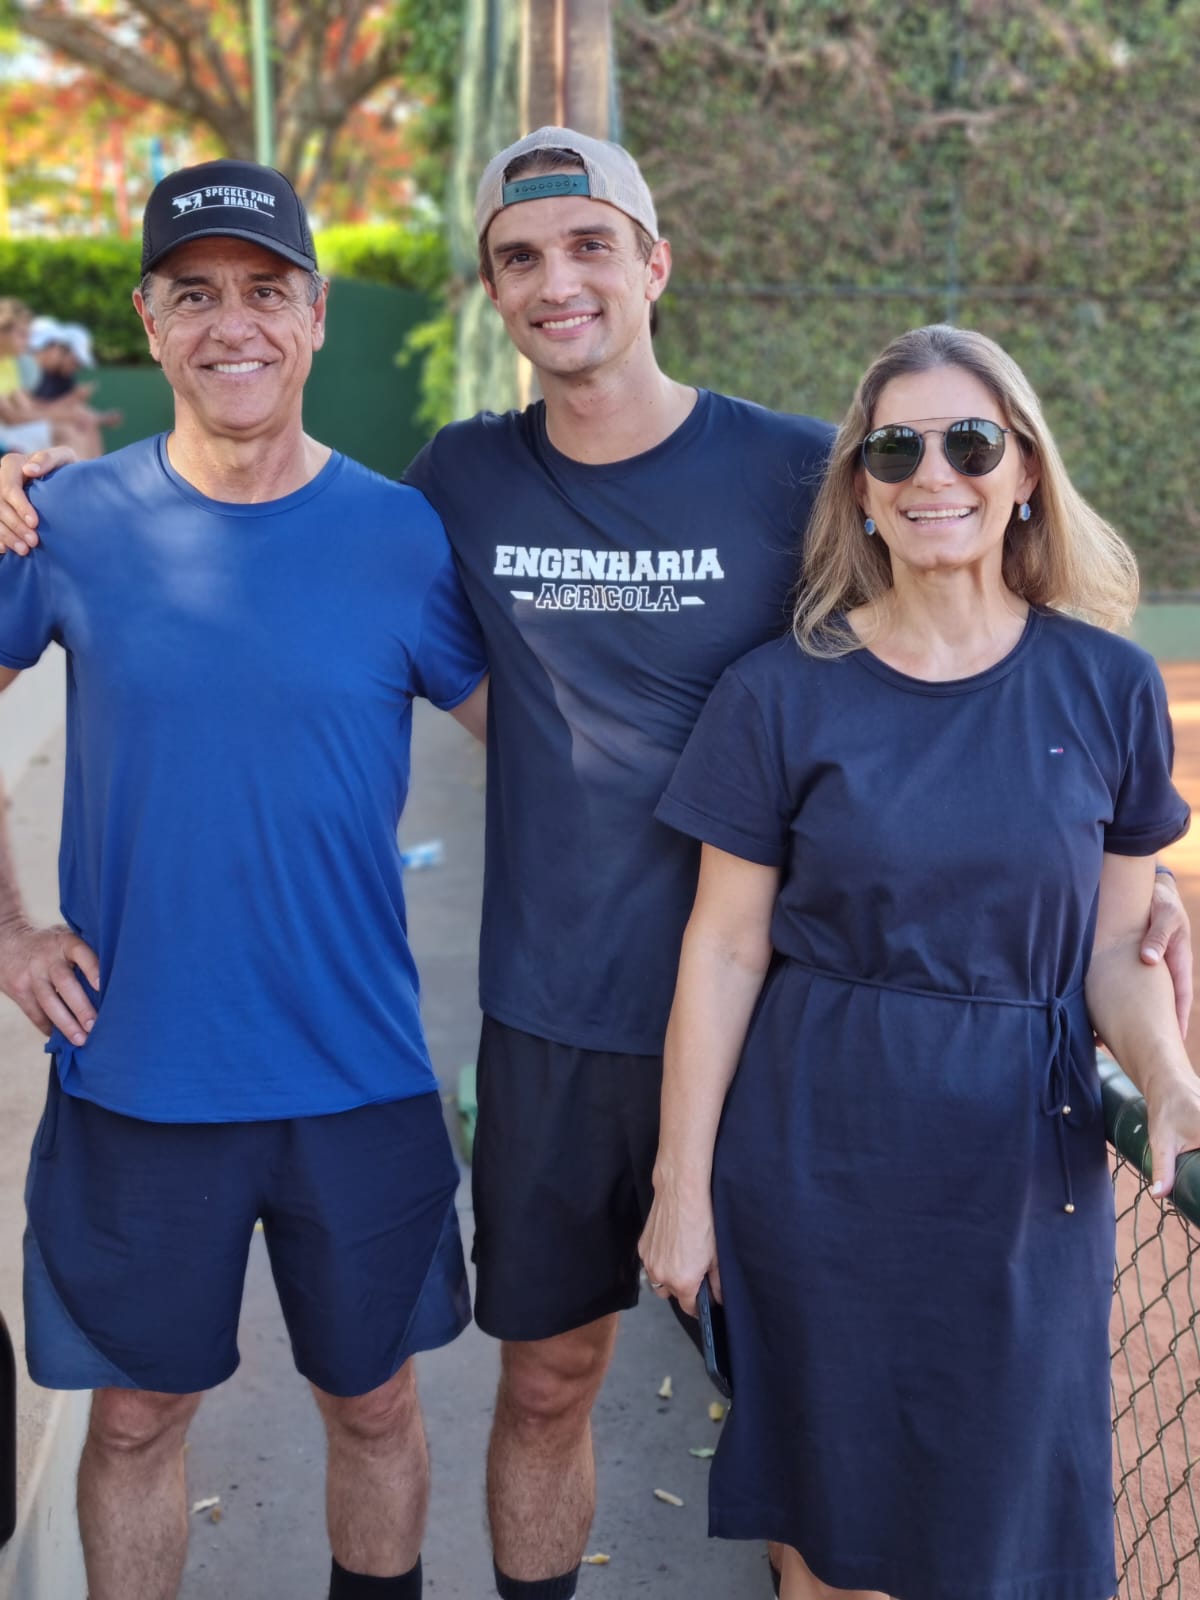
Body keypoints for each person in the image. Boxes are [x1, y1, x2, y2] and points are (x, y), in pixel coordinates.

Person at [0, 134, 1192, 1600]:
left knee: (817, 1415)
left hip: (785, 1032)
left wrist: (1111, 867)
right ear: (493, 289)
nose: (558, 283)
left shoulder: (790, 475)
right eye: (520, 256)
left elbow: (948, 658)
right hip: (552, 1022)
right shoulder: (448, 490)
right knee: (542, 1386)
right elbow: (412, 661)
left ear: (654, 263)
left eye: (588, 246)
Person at [639, 323, 1197, 1600]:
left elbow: (1117, 943)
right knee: (832, 1545)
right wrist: (684, 1185)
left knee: (1001, 1530)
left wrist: (1167, 1078)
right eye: (896, 447)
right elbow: (723, 948)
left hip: (1020, 1167)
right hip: (815, 1154)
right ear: (862, 489)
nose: (931, 471)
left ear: (1025, 474)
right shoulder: (781, 693)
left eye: (970, 440)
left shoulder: (1107, 687)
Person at [0, 158, 489, 1600]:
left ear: (317, 317)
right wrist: (14, 931)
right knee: (140, 1418)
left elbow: (543, 746)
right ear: (149, 322)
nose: (235, 326)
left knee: (378, 1404)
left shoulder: (403, 536)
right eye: (197, 293)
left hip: (359, 1071)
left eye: (266, 292)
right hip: (139, 1071)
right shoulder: (69, 519)